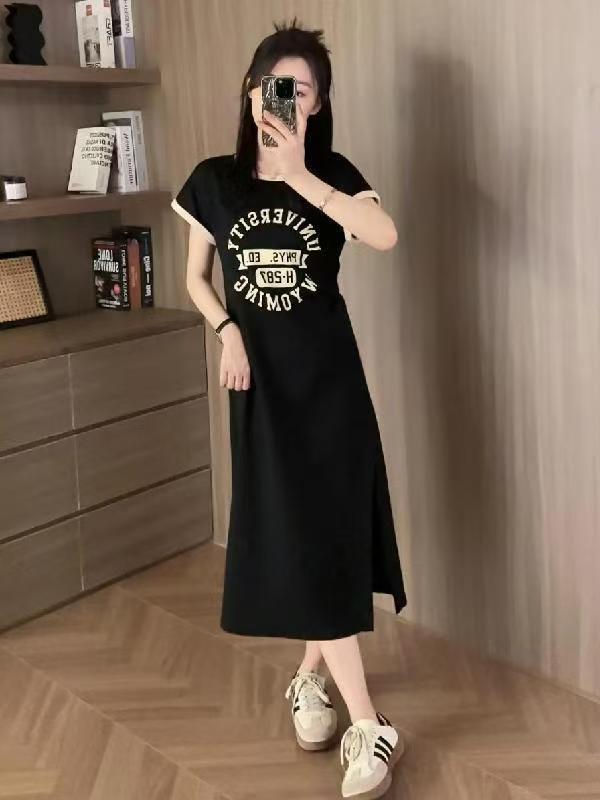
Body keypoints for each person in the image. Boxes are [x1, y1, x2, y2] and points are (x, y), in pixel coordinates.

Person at [171, 17, 407, 800]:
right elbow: (196, 278)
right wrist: (227, 331)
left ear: (320, 104)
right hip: (262, 390)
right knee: (298, 532)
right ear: (250, 91)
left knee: (325, 531)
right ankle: (331, 692)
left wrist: (301, 174)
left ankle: (356, 714)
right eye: (276, 86)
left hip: (330, 387)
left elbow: (384, 235)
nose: (287, 99)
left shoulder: (330, 173)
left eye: (303, 91)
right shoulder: (215, 181)